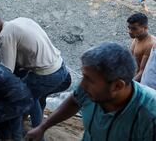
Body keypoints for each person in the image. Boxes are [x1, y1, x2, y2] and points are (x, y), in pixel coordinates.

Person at [27, 42, 156, 141]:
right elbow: (74, 101)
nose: (82, 85)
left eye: (89, 79)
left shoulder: (150, 118)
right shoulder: (88, 91)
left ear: (117, 86)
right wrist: (43, 127)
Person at [0, 12, 71, 133]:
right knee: (35, 95)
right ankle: (32, 125)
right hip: (61, 68)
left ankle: (35, 132)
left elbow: (7, 72)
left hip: (47, 74)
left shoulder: (5, 35)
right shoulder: (21, 20)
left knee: (22, 97)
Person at [127, 13, 156, 82]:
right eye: (129, 28)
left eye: (134, 29)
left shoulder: (150, 44)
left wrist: (129, 84)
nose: (130, 32)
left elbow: (143, 72)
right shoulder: (137, 37)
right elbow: (129, 58)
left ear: (145, 28)